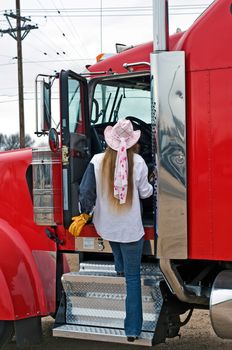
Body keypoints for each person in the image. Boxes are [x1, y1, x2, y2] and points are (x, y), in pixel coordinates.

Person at [79, 119, 153, 342]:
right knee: (133, 279)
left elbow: (85, 193)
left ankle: (119, 266)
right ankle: (131, 330)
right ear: (133, 142)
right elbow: (145, 194)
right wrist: (151, 183)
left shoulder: (96, 160)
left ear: (108, 141)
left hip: (106, 227)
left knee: (117, 246)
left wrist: (85, 214)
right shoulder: (139, 162)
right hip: (130, 230)